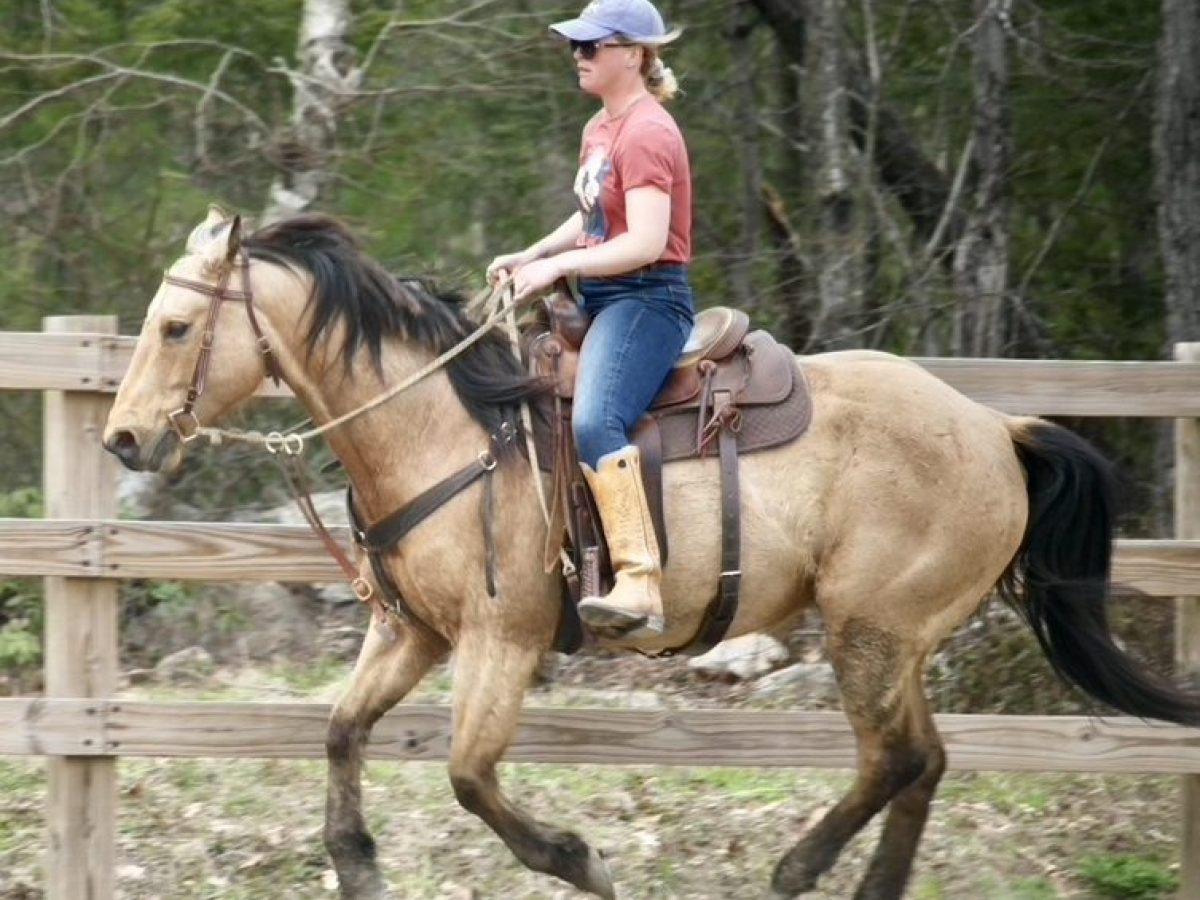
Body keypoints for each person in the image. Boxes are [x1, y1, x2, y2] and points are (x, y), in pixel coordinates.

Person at [487, 0, 693, 640]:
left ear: (633, 54)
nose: (579, 55)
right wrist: (537, 252)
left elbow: (646, 241)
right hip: (603, 295)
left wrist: (556, 272)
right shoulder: (601, 128)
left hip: (647, 298)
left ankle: (639, 580)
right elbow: (595, 216)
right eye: (576, 45)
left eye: (592, 46)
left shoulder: (649, 132)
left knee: (595, 418)